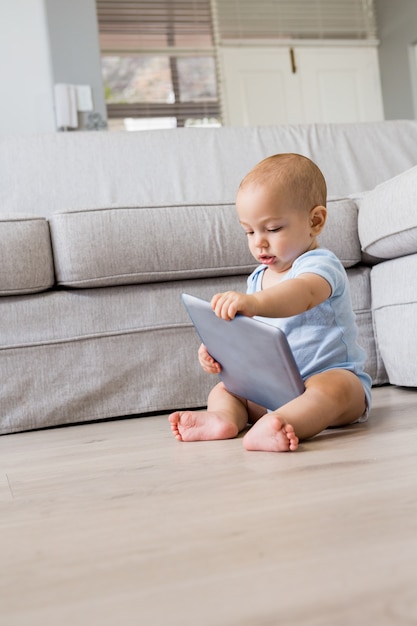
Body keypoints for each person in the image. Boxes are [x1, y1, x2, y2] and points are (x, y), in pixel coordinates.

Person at [169, 153, 372, 452]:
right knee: (226, 390)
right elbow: (250, 337)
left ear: (315, 221)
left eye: (273, 229)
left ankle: (284, 424)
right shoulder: (257, 279)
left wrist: (252, 303)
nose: (258, 242)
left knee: (339, 388)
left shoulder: (320, 265)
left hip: (325, 377)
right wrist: (219, 349)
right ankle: (224, 419)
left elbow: (301, 295)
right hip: (274, 387)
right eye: (249, 231)